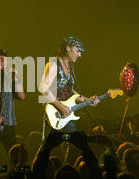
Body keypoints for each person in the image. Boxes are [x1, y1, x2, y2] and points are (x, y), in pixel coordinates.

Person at [38, 36, 100, 164]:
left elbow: (71, 93)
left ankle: (66, 172)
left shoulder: (70, 67)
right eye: (78, 51)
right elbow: (42, 89)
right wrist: (60, 107)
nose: (80, 55)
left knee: (73, 146)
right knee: (46, 149)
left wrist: (87, 100)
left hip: (66, 115)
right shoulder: (54, 64)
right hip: (53, 113)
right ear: (68, 48)